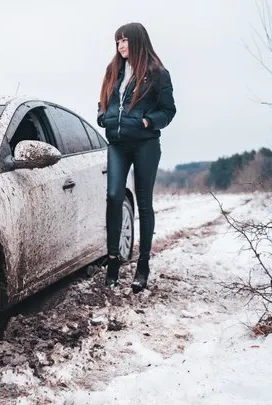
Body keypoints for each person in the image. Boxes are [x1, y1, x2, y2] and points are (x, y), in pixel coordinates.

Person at [96, 22, 176, 292]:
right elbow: (104, 99)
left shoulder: (157, 74)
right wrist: (102, 116)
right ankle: (113, 260)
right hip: (117, 144)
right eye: (118, 41)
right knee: (113, 196)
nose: (120, 45)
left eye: (125, 40)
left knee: (143, 203)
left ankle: (143, 266)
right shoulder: (113, 70)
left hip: (145, 145)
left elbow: (168, 111)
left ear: (138, 41)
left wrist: (146, 123)